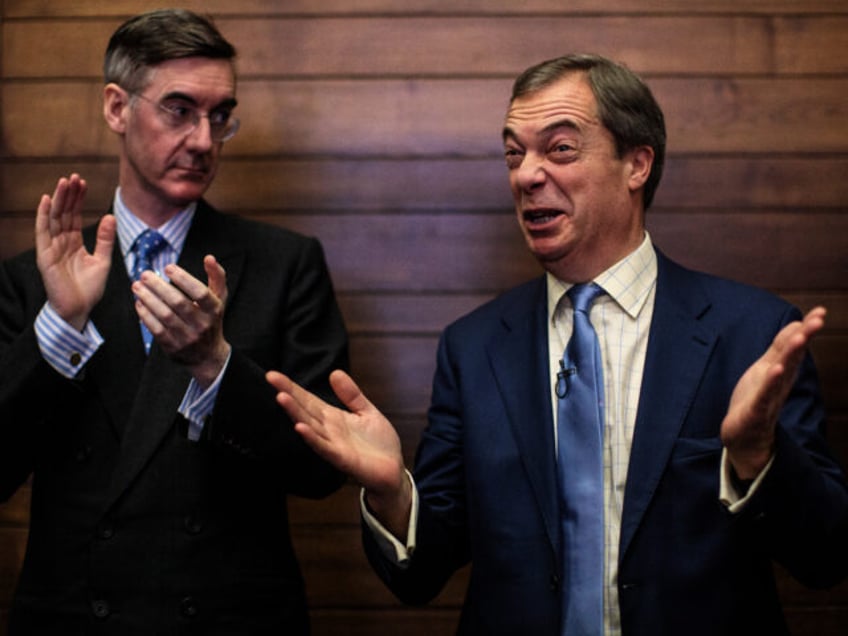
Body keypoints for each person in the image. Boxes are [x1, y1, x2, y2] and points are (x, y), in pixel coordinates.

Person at [266, 53, 848, 635]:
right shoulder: (473, 349)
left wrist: (756, 457)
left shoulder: (750, 332)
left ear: (637, 164)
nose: (525, 175)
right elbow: (422, 575)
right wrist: (392, 492)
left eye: (560, 149)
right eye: (514, 154)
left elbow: (825, 557)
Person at [0, 8, 348, 635]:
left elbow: (321, 470)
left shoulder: (286, 265)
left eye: (220, 116)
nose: (204, 140)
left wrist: (216, 368)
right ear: (117, 108)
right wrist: (61, 325)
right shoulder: (34, 277)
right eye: (179, 110)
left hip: (229, 619)